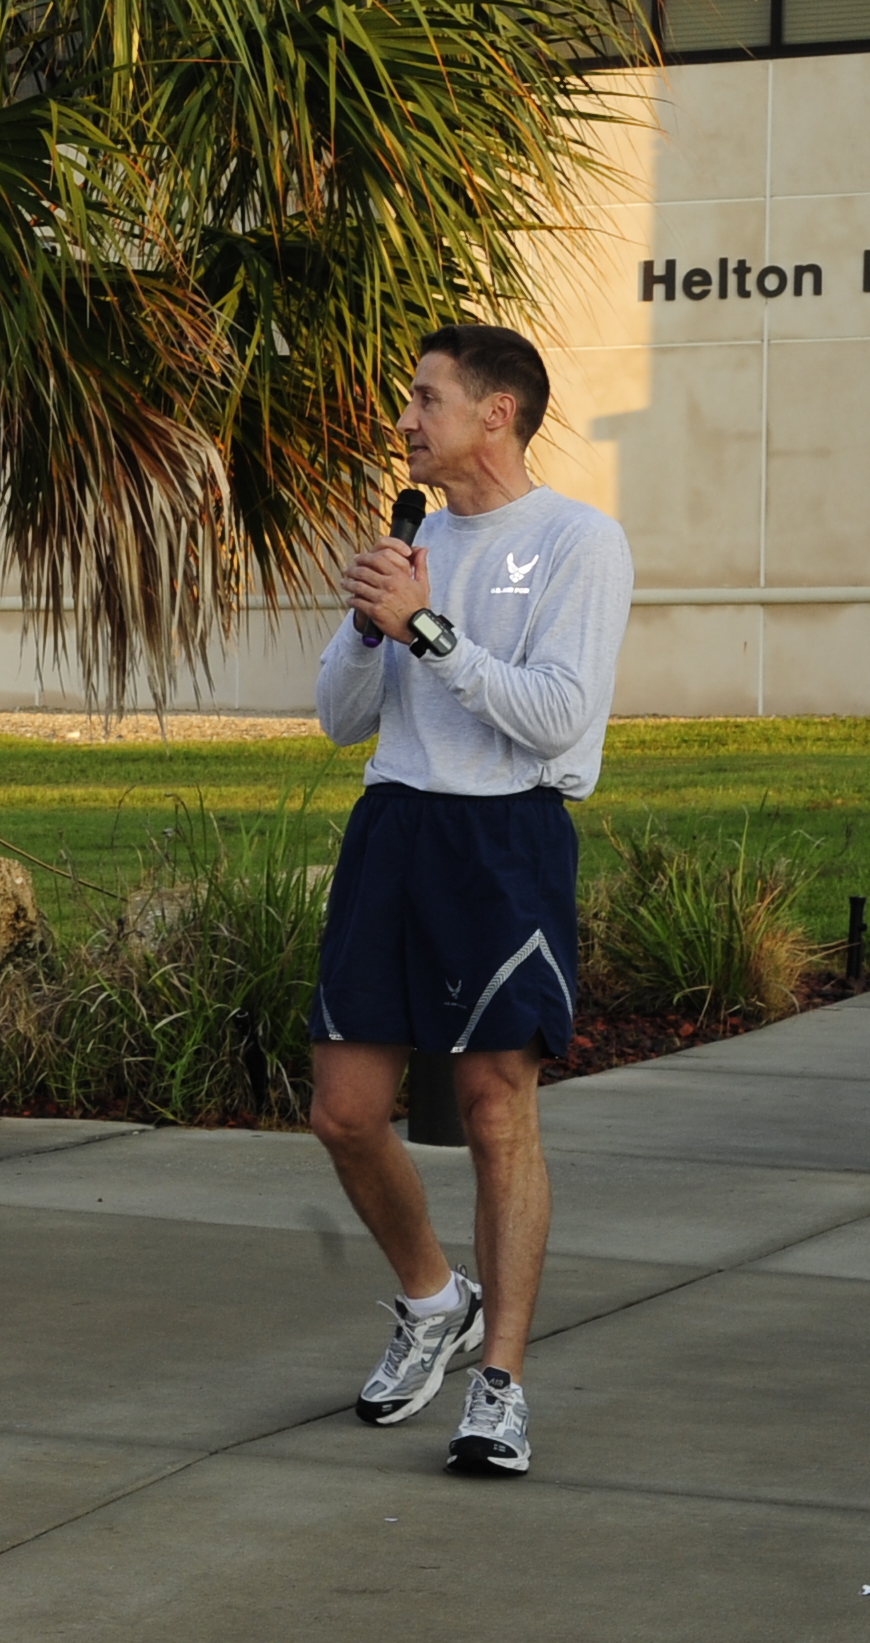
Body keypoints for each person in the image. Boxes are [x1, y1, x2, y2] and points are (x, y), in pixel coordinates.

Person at [309, 323, 634, 1478]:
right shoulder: (414, 542)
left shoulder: (577, 541)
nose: (405, 420)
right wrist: (368, 631)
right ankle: (432, 1298)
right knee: (345, 1112)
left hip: (504, 839)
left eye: (425, 398)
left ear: (498, 412)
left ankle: (500, 1386)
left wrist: (427, 629)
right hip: (394, 826)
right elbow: (339, 717)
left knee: (497, 1111)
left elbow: (557, 716)